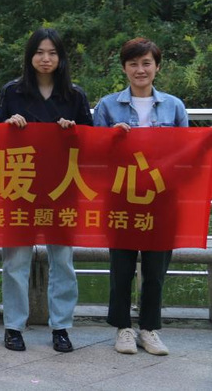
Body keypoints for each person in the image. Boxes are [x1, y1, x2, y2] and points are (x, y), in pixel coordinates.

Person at [0, 28, 92, 353]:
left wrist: (72, 132)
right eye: (39, 52)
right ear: (30, 56)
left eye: (52, 53)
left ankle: (61, 327)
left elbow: (91, 143)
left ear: (61, 58)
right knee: (15, 261)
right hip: (19, 186)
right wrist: (9, 127)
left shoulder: (75, 96)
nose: (46, 59)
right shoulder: (12, 92)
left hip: (62, 187)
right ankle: (13, 327)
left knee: (62, 260)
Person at [93, 38, 188, 356]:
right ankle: (122, 328)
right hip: (122, 196)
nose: (140, 70)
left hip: (161, 199)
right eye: (133, 64)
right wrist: (111, 138)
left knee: (155, 269)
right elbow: (94, 154)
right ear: (124, 68)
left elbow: (185, 153)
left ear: (157, 67)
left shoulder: (174, 106)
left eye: (146, 63)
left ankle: (149, 328)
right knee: (121, 267)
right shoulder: (107, 106)